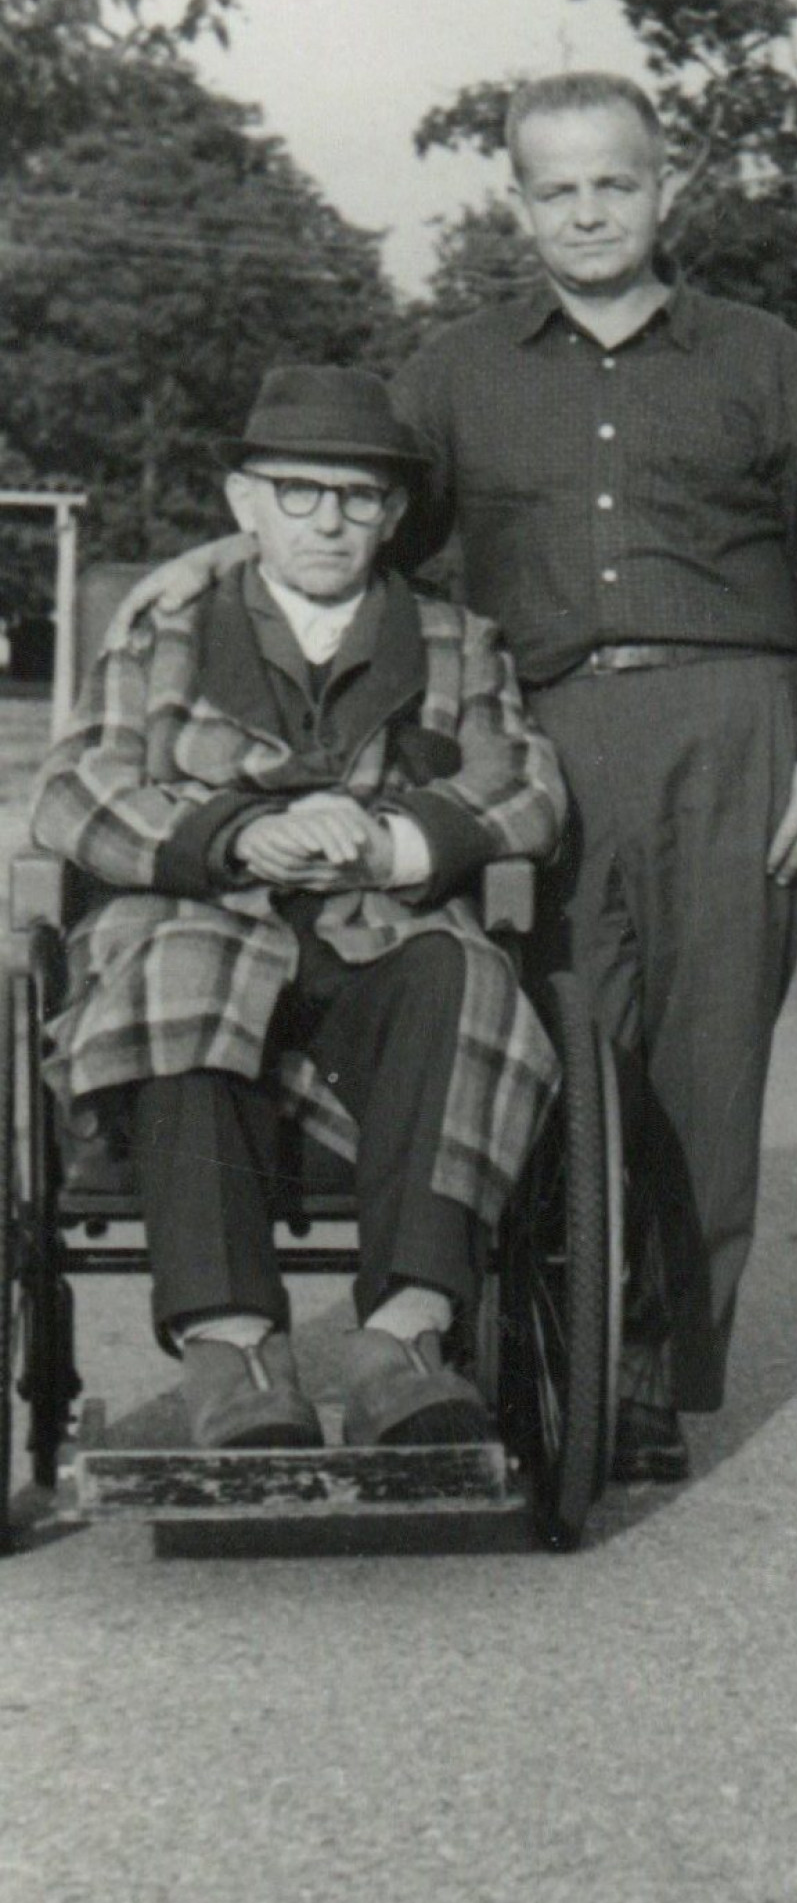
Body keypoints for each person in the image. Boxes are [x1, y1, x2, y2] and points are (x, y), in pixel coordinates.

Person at [389, 70, 797, 1479]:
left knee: (700, 1062)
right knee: (549, 1041)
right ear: (518, 205)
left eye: (613, 181)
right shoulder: (455, 369)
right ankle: (522, 1331)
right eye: (555, 188)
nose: (587, 210)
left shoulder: (759, 355)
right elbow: (359, 544)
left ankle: (642, 1378)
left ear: (663, 187)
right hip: (536, 733)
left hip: (735, 733)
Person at [31, 366, 567, 1454]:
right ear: (245, 505)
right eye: (300, 490)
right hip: (208, 920)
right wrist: (230, 835)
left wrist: (395, 837)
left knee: (462, 975)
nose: (329, 518)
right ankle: (235, 1355)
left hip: (380, 933)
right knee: (181, 968)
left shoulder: (458, 641)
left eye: (359, 496)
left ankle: (403, 1341)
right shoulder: (166, 633)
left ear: (395, 513)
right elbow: (75, 789)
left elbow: (527, 786)